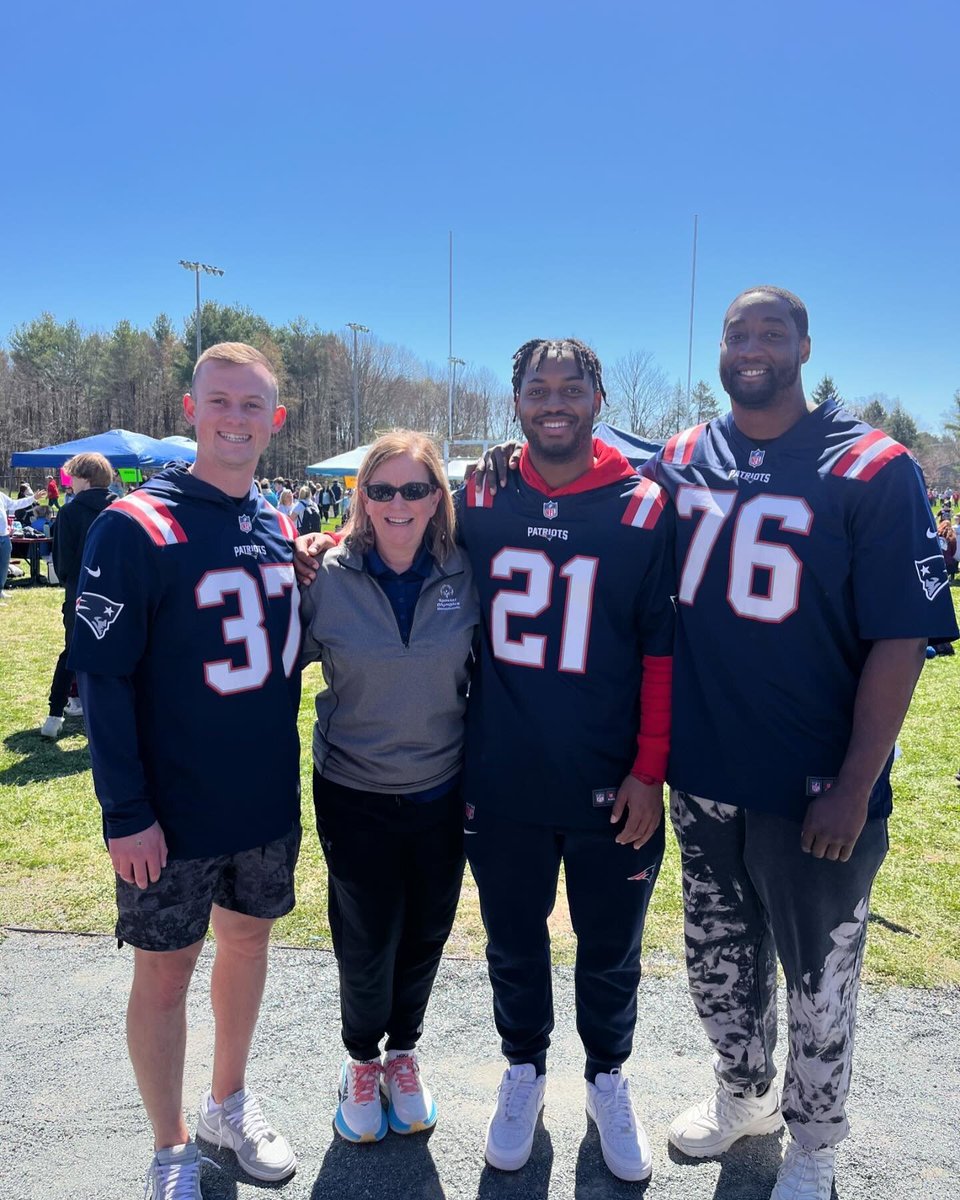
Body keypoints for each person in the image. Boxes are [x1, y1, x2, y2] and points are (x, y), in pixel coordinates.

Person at [643, 288, 959, 1200]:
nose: (751, 348)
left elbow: (902, 638)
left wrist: (857, 782)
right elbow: (589, 476)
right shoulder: (682, 454)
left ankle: (816, 1139)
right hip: (704, 772)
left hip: (814, 782)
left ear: (805, 347)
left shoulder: (874, 464)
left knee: (819, 972)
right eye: (737, 333)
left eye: (771, 333)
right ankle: (741, 1094)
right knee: (716, 958)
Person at [69, 342, 301, 1199]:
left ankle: (226, 1104)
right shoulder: (133, 524)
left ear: (275, 420)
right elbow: (103, 675)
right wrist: (124, 808)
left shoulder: (273, 521)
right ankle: (169, 1147)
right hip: (170, 808)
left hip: (264, 796)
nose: (236, 419)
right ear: (189, 409)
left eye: (253, 406)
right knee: (165, 972)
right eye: (222, 401)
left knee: (247, 944)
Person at [460, 338, 673, 1183]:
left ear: (598, 396)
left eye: (570, 387)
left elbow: (662, 649)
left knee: (610, 947)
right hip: (503, 770)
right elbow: (391, 533)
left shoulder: (644, 506)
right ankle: (524, 1068)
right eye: (537, 388)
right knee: (512, 941)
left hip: (609, 779)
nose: (555, 401)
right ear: (514, 402)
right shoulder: (477, 494)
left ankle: (607, 1077)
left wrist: (649, 769)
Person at [300, 430, 479, 1144]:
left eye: (414, 488)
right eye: (381, 489)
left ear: (438, 496)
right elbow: (273, 666)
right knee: (367, 935)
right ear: (361, 498)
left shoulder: (469, 570)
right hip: (353, 790)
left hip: (441, 788)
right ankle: (360, 1061)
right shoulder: (324, 577)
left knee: (427, 932)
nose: (398, 503)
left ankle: (403, 1052)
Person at [39, 452, 115, 738]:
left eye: (72, 476)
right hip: (118, 593)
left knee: (72, 652)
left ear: (85, 478)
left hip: (81, 593)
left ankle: (55, 715)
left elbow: (63, 564)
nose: (69, 482)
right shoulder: (123, 507)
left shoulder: (70, 512)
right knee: (120, 652)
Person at [0, 486, 41, 599]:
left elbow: (15, 504)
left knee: (3, 565)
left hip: (4, 536)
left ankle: (0, 590)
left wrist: (33, 498)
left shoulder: (1, 496)